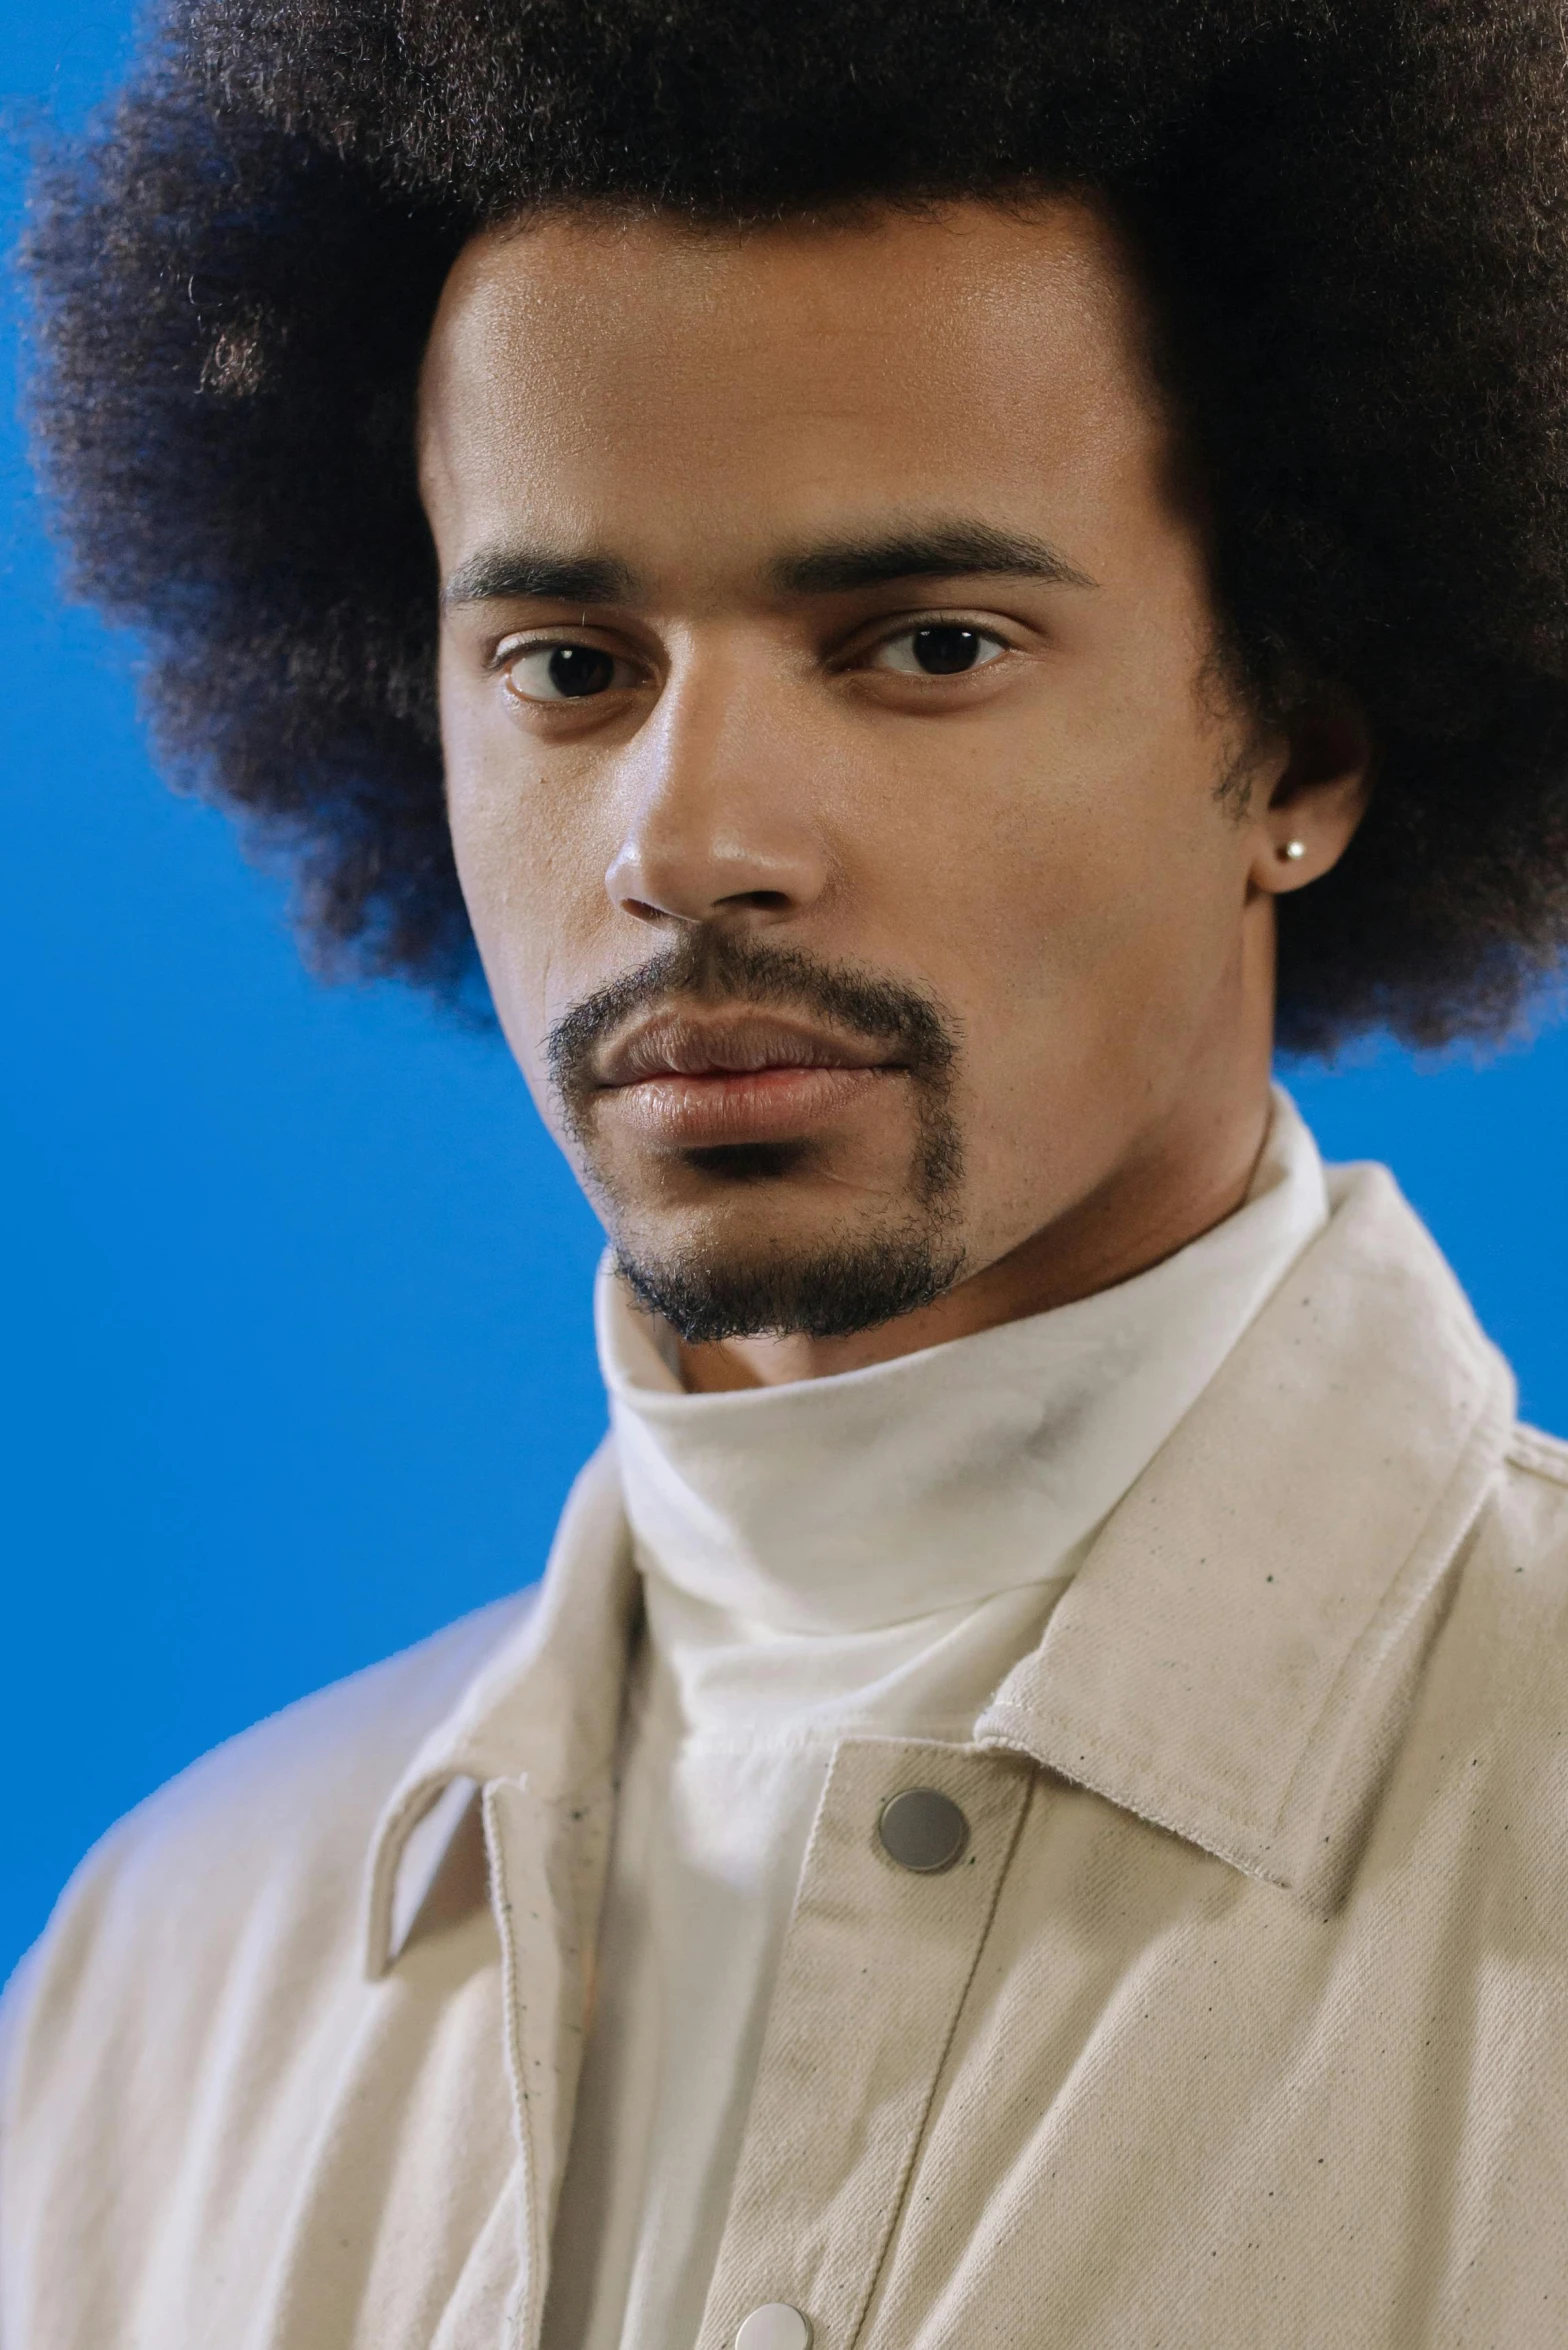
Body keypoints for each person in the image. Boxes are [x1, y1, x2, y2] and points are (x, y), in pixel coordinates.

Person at [6, 2, 1568, 2343]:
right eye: (562, 661)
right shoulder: (165, 1975)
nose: (684, 841)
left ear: (1301, 747)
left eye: (924, 644)